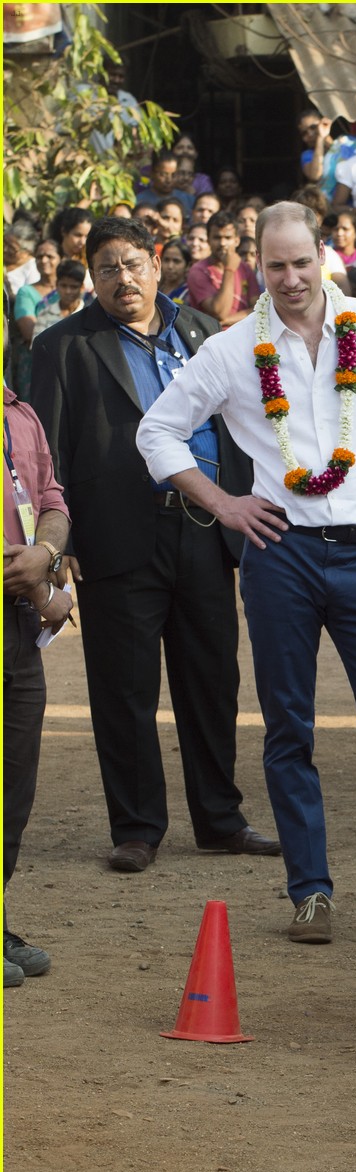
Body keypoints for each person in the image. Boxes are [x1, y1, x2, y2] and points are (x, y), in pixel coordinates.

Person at [135, 201, 356, 943]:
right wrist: (223, 503)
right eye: (275, 265)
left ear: (325, 257)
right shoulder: (231, 347)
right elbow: (157, 430)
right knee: (288, 728)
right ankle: (310, 891)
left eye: (302, 262)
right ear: (257, 266)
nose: (291, 278)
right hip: (279, 553)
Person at [31, 217, 278, 872]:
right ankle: (137, 826)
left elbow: (237, 430)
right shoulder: (64, 346)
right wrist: (63, 542)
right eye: (107, 266)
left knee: (212, 680)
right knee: (124, 688)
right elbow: (47, 452)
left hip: (204, 530)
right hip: (115, 536)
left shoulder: (200, 332)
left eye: (133, 263)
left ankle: (220, 820)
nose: (123, 278)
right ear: (91, 275)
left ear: (158, 262)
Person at [3, 316, 75, 987]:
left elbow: (51, 499)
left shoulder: (20, 414)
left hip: (18, 624)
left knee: (14, 784)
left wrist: (47, 557)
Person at [186, 209, 260, 328]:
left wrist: (227, 320)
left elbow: (258, 309)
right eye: (217, 237)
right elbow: (220, 312)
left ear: (237, 240)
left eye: (227, 237)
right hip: (211, 339)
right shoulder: (198, 271)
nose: (222, 243)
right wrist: (229, 269)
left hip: (244, 337)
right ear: (209, 240)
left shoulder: (245, 269)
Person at [12, 239, 60, 399]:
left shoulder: (71, 290)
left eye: (50, 256)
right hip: (36, 362)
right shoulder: (26, 292)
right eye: (39, 257)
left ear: (60, 259)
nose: (44, 260)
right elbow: (30, 333)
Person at [298, 107, 356, 199]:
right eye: (304, 133)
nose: (310, 134)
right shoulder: (308, 155)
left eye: (313, 127)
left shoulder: (349, 143)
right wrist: (320, 138)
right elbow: (315, 176)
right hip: (328, 207)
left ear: (325, 124)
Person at [30, 259, 86, 340]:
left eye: (73, 287)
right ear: (56, 285)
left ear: (82, 287)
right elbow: (37, 348)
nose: (68, 291)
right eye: (63, 286)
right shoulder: (45, 315)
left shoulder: (89, 314)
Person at [137, 149, 192, 214]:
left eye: (173, 175)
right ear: (152, 173)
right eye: (163, 174)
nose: (169, 180)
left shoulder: (189, 201)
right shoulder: (139, 200)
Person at [172, 132, 214, 197]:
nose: (185, 151)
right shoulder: (165, 178)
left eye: (190, 148)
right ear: (172, 151)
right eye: (180, 147)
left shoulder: (203, 181)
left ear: (196, 153)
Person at [159, 238, 191, 304]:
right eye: (166, 260)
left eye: (176, 261)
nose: (170, 266)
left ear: (188, 265)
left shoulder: (189, 293)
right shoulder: (155, 288)